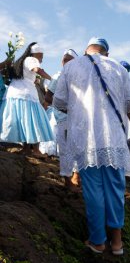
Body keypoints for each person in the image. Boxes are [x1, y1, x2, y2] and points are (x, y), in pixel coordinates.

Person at [53, 37, 130, 255]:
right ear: (106, 53)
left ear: (86, 51)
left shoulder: (71, 66)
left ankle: (98, 241)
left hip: (86, 138)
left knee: (93, 191)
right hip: (114, 139)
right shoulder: (119, 68)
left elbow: (60, 102)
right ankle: (117, 243)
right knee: (115, 189)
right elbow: (129, 103)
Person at [0, 42, 53, 157]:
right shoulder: (31, 59)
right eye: (41, 57)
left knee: (23, 121)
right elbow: (37, 70)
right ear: (37, 53)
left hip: (14, 94)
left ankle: (26, 149)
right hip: (26, 95)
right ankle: (36, 150)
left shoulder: (21, 61)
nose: (42, 60)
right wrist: (51, 79)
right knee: (35, 121)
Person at [41, 49, 80, 190]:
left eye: (69, 60)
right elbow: (47, 97)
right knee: (66, 150)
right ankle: (68, 181)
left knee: (79, 148)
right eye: (64, 60)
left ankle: (77, 176)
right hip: (63, 117)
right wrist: (64, 108)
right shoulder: (58, 76)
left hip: (78, 118)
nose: (66, 62)